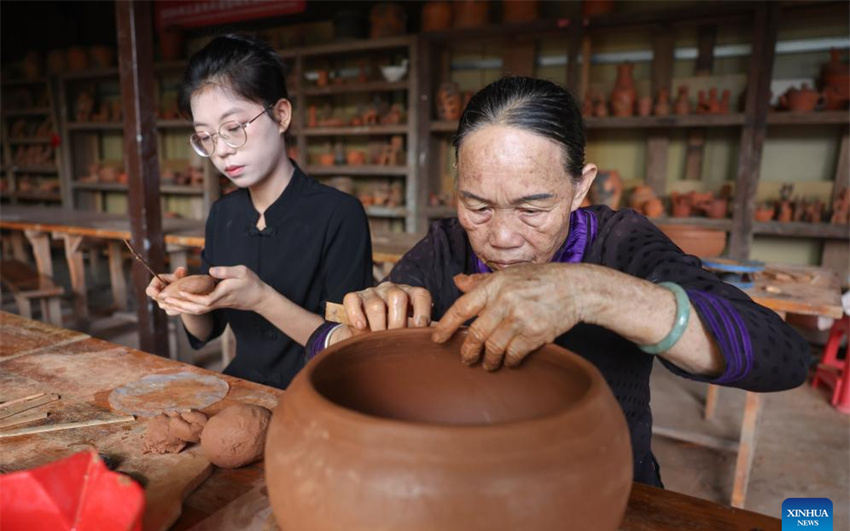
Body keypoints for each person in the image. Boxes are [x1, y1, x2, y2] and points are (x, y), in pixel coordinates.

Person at [306, 76, 810, 487]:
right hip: (468, 487)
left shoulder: (622, 242)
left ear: (579, 187)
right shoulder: (446, 247)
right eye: (477, 205)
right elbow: (321, 349)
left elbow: (783, 357)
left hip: (607, 487)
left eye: (533, 207)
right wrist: (360, 325)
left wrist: (593, 291)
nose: (501, 238)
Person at [146, 34, 372, 389]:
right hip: (244, 386)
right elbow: (209, 331)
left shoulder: (339, 214)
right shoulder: (223, 215)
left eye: (233, 128)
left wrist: (262, 299)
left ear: (280, 115)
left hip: (319, 391)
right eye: (206, 137)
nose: (221, 151)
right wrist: (184, 303)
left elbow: (348, 342)